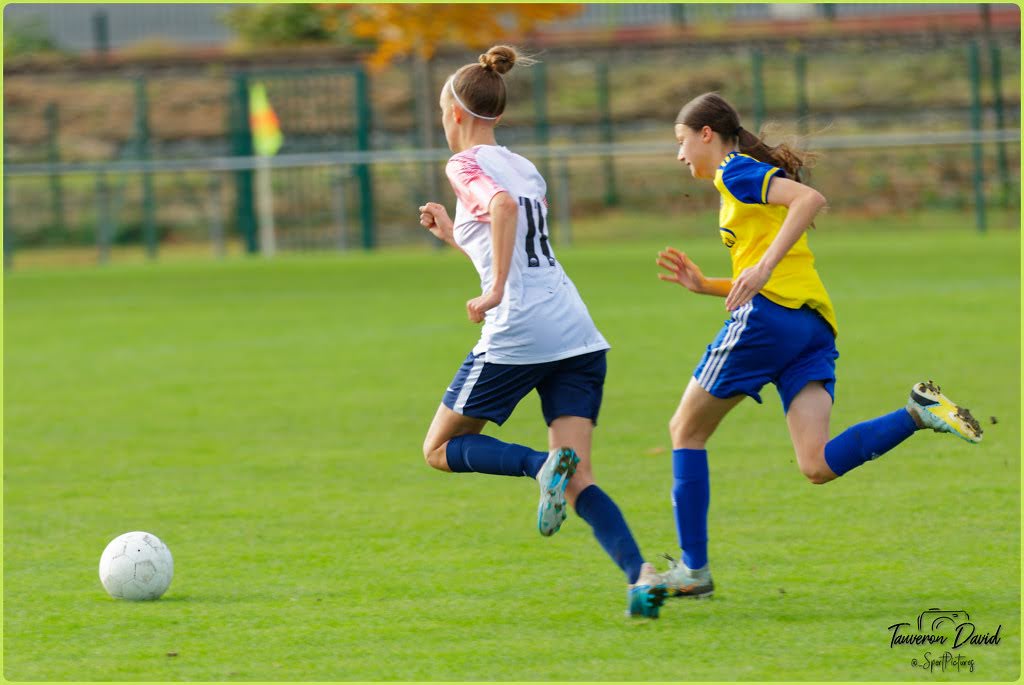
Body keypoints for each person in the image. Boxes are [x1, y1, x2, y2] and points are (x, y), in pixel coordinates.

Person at [656, 91, 983, 599]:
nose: (679, 155)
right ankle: (919, 413)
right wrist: (709, 285)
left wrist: (761, 270)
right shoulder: (740, 180)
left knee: (685, 431)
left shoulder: (734, 171)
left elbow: (809, 201)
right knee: (816, 464)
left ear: (706, 134)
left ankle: (694, 571)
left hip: (768, 322)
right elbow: (768, 269)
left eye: (681, 141)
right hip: (810, 326)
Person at [417, 45, 666, 618]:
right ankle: (642, 576)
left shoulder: (463, 165)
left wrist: (495, 292)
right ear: (498, 114)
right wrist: (454, 236)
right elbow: (512, 237)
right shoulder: (524, 165)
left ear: (453, 112)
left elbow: (502, 210)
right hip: (576, 331)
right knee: (580, 474)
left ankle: (538, 465)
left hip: (519, 331)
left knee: (438, 449)